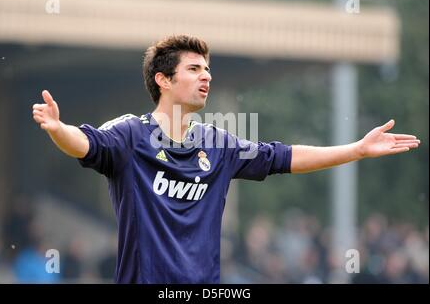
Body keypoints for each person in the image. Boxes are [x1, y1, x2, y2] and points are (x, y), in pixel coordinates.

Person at [32, 35, 420, 283]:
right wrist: (57, 129)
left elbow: (283, 157)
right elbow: (86, 144)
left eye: (209, 70)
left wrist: (355, 149)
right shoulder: (130, 135)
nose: (207, 77)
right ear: (164, 80)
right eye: (195, 69)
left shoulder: (217, 144)